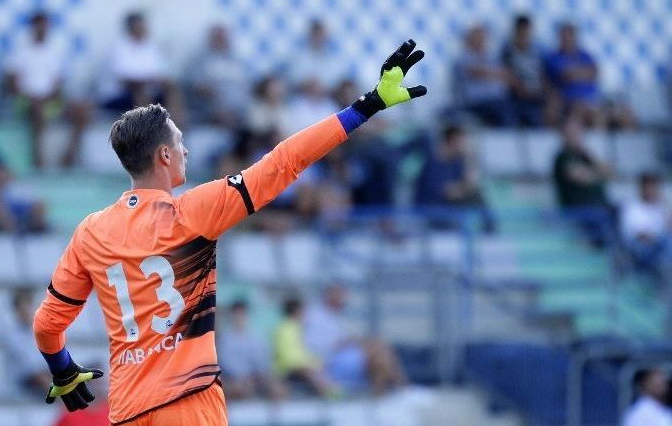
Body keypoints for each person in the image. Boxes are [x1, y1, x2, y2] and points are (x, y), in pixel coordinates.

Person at [32, 40, 426, 425]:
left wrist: (63, 371)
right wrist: (366, 106)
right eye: (180, 142)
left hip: (127, 409)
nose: (185, 151)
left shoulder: (91, 231)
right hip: (190, 403)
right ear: (164, 155)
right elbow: (285, 161)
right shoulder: (192, 212)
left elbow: (47, 325)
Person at [5, 11, 90, 168]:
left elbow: (58, 85)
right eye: (39, 25)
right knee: (37, 109)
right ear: (32, 28)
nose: (42, 29)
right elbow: (13, 85)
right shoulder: (21, 52)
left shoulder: (54, 53)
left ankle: (69, 156)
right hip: (26, 101)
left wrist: (48, 97)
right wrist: (33, 98)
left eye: (45, 25)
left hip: (50, 101)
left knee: (82, 112)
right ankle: (39, 158)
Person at [304, 284, 406, 394]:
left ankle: (400, 387)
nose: (345, 300)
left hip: (340, 355)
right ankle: (394, 390)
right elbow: (319, 346)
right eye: (341, 296)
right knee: (378, 354)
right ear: (331, 296)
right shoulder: (316, 315)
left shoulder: (332, 316)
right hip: (329, 362)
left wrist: (354, 341)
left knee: (380, 346)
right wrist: (349, 342)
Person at [100, 12, 183, 120]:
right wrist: (150, 82)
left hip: (149, 92)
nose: (143, 28)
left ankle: (177, 130)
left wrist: (164, 83)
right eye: (139, 25)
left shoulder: (151, 48)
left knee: (172, 91)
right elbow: (126, 82)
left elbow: (162, 75)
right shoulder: (118, 48)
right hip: (120, 95)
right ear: (131, 28)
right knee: (140, 92)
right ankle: (146, 133)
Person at [414, 125, 495, 232]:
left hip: (448, 209)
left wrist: (470, 159)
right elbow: (451, 194)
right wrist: (465, 188)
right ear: (453, 141)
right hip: (431, 211)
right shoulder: (434, 163)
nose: (466, 144)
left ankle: (491, 232)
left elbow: (471, 185)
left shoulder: (457, 162)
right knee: (457, 222)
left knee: (476, 194)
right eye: (463, 141)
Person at [552, 118, 613, 246]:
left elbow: (609, 174)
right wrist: (597, 174)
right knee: (602, 224)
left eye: (578, 133)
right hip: (579, 208)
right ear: (564, 135)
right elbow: (580, 177)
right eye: (572, 133)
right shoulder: (562, 157)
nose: (576, 136)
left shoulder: (585, 155)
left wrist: (589, 155)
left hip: (600, 205)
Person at [218, 300, 284, 399]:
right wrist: (243, 376)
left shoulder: (256, 337)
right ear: (232, 316)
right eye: (236, 315)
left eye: (242, 314)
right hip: (234, 378)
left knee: (278, 389)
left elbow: (262, 360)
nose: (239, 318)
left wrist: (254, 375)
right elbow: (226, 363)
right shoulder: (225, 339)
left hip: (256, 377)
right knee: (238, 388)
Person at [274, 297, 338, 397]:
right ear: (296, 311)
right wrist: (309, 364)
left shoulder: (300, 329)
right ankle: (331, 395)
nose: (305, 314)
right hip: (287, 369)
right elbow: (288, 357)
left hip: (299, 366)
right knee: (310, 372)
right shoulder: (284, 330)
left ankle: (333, 393)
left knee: (320, 369)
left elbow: (304, 353)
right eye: (303, 310)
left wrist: (315, 362)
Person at [186, 25, 248, 126]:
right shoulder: (200, 60)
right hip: (209, 116)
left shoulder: (237, 62)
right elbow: (195, 86)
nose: (222, 40)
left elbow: (246, 89)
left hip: (238, 117)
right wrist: (218, 109)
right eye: (218, 37)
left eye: (224, 37)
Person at [455, 25, 515, 127]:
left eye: (482, 37)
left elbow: (507, 75)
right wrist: (496, 74)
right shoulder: (464, 57)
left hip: (499, 101)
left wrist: (491, 73)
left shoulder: (492, 58)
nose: (480, 40)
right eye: (477, 37)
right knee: (503, 114)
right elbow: (474, 71)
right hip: (477, 103)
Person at [544, 23, 603, 127]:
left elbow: (595, 72)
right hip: (569, 102)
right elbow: (566, 75)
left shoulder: (585, 55)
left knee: (615, 113)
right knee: (584, 111)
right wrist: (584, 73)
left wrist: (576, 73)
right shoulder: (554, 57)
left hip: (591, 101)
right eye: (564, 36)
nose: (567, 39)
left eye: (569, 36)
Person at [620, 173, 670, 276]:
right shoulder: (632, 206)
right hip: (639, 248)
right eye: (649, 187)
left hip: (661, 248)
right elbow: (642, 236)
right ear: (642, 188)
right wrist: (661, 237)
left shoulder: (659, 207)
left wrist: (666, 205)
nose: (652, 190)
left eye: (655, 187)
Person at [3, 289, 51, 395]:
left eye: (29, 306)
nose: (27, 311)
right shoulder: (11, 336)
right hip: (25, 386)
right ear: (16, 311)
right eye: (22, 308)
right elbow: (32, 370)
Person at [501, 15, 544, 127]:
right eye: (522, 32)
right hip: (515, 97)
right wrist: (521, 88)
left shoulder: (537, 51)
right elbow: (506, 75)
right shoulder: (507, 51)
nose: (524, 35)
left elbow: (542, 74)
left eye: (527, 32)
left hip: (536, 96)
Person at [287, 19, 346, 91]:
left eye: (320, 35)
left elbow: (336, 80)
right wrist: (309, 84)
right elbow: (294, 78)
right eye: (316, 35)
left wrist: (321, 86)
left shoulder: (333, 58)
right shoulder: (299, 56)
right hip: (303, 96)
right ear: (310, 36)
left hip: (326, 97)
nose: (318, 38)